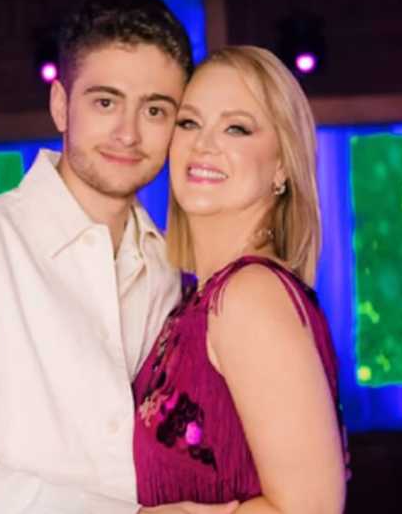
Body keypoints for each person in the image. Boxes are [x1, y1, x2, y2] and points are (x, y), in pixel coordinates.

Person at [0, 0, 238, 513]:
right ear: (61, 104)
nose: (128, 133)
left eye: (154, 110)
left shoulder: (169, 267)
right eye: (105, 102)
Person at [132, 46, 350, 512]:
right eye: (189, 123)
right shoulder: (194, 301)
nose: (203, 144)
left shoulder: (249, 296)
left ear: (282, 164)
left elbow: (309, 509)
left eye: (236, 128)